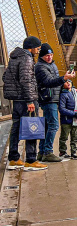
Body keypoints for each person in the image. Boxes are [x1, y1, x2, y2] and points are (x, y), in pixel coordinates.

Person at [3, 36, 46, 171]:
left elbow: (5, 77)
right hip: (26, 100)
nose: (39, 50)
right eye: (38, 47)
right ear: (31, 47)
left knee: (16, 129)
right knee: (32, 128)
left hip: (17, 100)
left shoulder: (14, 58)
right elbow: (26, 80)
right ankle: (31, 160)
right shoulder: (27, 58)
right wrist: (30, 100)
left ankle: (14, 159)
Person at [34, 43, 75, 162]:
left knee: (47, 126)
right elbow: (48, 81)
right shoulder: (41, 67)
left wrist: (64, 84)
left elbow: (54, 82)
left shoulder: (52, 65)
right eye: (47, 55)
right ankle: (48, 151)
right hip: (48, 99)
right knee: (53, 125)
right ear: (42, 56)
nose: (49, 57)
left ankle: (42, 152)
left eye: (51, 55)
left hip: (52, 98)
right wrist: (64, 78)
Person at [58, 81, 77, 160]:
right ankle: (62, 151)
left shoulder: (75, 93)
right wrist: (74, 114)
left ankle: (73, 152)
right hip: (66, 120)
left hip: (75, 120)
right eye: (65, 82)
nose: (68, 83)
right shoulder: (63, 95)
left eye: (69, 82)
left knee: (75, 136)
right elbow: (62, 109)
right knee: (64, 136)